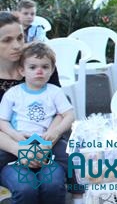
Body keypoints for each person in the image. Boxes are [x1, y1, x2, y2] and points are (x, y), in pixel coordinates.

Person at [0, 42, 72, 204]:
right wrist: (14, 134)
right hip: (17, 149)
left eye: (45, 67)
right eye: (32, 67)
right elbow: (2, 120)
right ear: (22, 71)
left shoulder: (55, 92)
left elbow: (69, 115)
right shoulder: (13, 94)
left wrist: (57, 130)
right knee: (26, 189)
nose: (39, 71)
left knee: (55, 183)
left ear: (52, 70)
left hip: (48, 146)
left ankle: (78, 193)